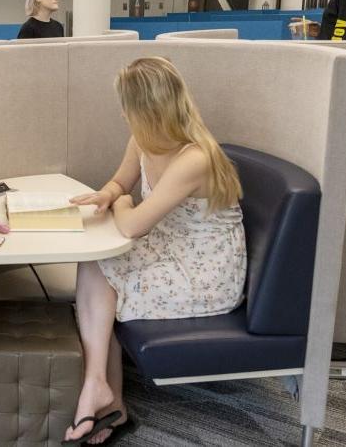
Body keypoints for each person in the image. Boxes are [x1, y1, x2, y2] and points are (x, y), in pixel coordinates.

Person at [63, 57, 247, 444]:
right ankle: (100, 390)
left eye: (127, 106)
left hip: (205, 273)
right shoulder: (142, 141)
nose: (122, 112)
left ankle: (104, 398)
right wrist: (108, 194)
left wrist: (120, 205)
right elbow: (120, 181)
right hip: (168, 249)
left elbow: (132, 224)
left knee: (102, 281)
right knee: (94, 264)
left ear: (146, 110)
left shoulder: (194, 158)